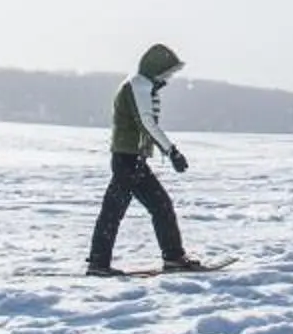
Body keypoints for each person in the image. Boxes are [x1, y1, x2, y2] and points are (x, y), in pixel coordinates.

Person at [88, 42, 210, 274]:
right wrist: (171, 151)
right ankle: (98, 263)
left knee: (159, 206)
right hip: (128, 159)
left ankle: (172, 257)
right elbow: (146, 122)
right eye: (168, 71)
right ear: (157, 68)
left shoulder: (141, 85)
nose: (170, 76)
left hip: (133, 160)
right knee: (117, 211)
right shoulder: (139, 86)